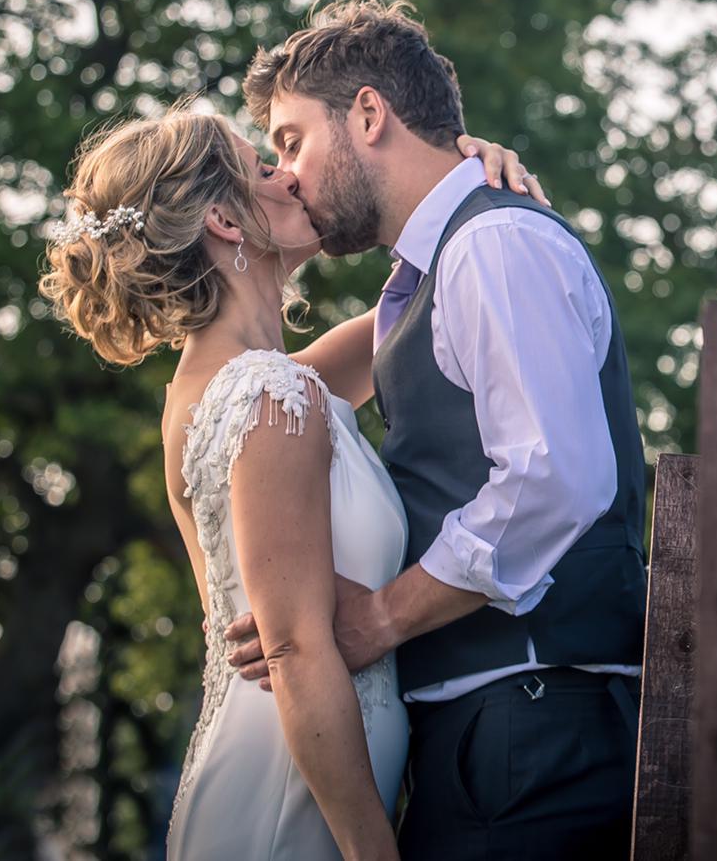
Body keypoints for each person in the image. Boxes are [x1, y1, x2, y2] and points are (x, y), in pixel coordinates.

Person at [37, 107, 539, 860]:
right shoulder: (271, 398)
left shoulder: (235, 391)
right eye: (263, 167)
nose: (290, 174)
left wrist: (471, 189)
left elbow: (422, 305)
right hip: (294, 801)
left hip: (289, 771)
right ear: (225, 221)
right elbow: (295, 652)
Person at [223, 0, 648, 861]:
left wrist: (378, 619)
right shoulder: (423, 278)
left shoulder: (493, 244)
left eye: (293, 141)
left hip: (535, 724)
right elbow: (259, 402)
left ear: (370, 114)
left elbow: (556, 478)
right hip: (489, 732)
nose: (287, 173)